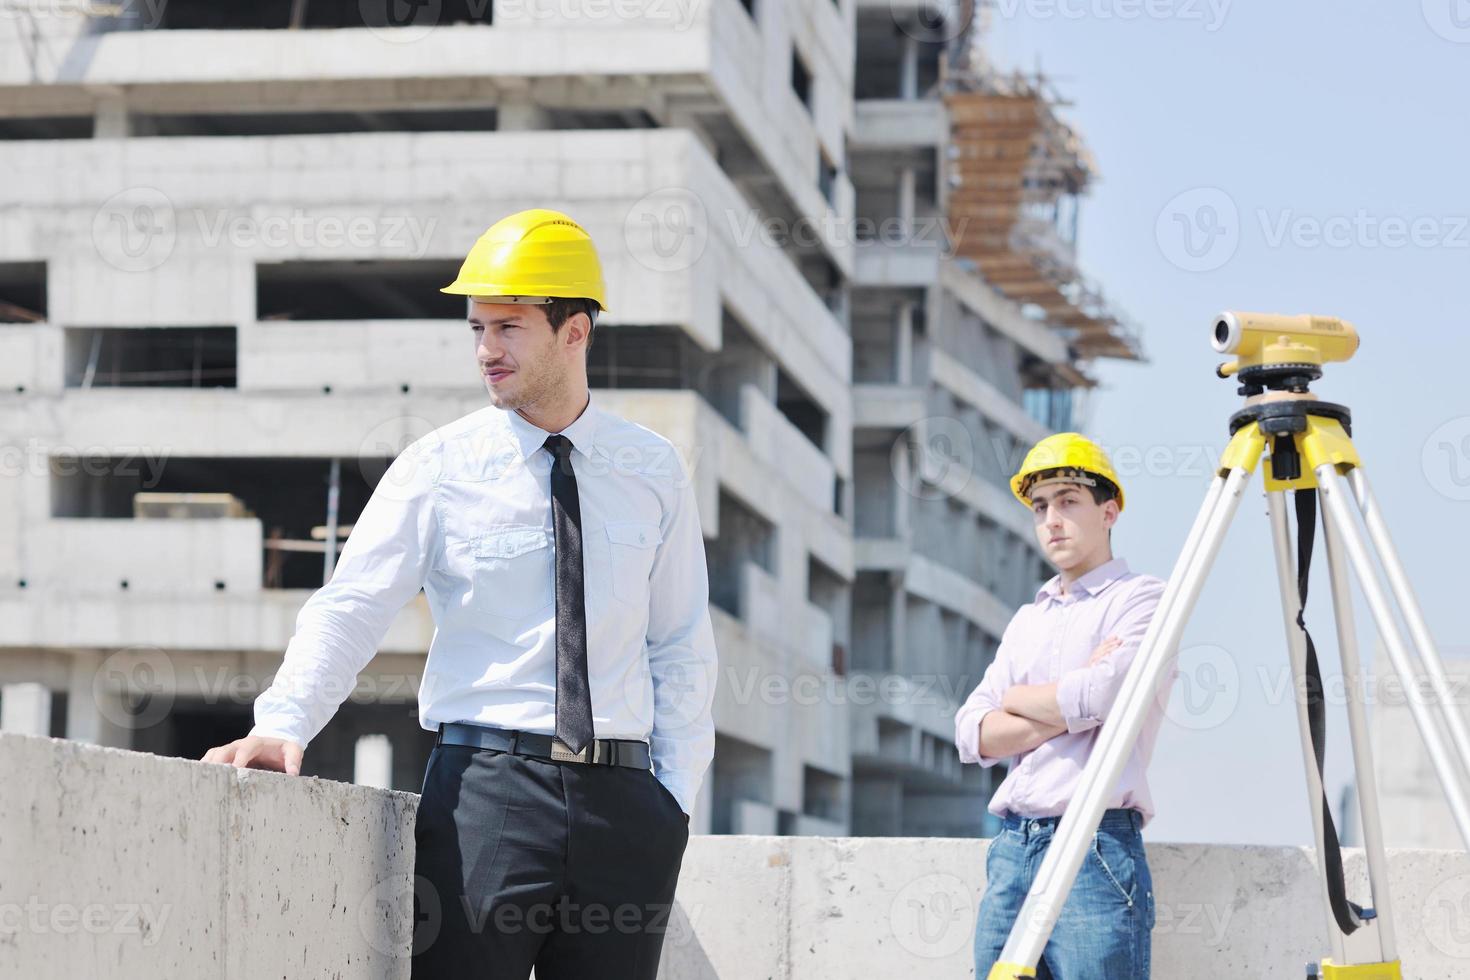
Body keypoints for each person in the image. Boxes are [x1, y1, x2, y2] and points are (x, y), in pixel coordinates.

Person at [202, 208, 718, 980]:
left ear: (575, 331)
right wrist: (282, 723)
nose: (486, 350)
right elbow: (352, 605)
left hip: (626, 807)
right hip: (487, 797)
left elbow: (679, 644)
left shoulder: (653, 470)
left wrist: (671, 800)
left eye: (508, 327)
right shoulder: (438, 467)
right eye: (477, 327)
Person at [955, 433, 1170, 979]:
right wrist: (1066, 703)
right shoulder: (1029, 619)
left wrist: (1017, 700)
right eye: (1041, 506)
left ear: (1109, 510)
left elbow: (1104, 696)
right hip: (1012, 847)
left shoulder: (1143, 599)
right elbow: (971, 732)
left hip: (1096, 846)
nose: (1052, 519)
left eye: (1069, 501)